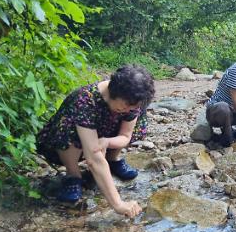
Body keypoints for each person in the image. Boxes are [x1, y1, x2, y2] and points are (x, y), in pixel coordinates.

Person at [36, 64, 155, 218]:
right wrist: (118, 204)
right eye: (126, 105)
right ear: (114, 92)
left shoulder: (133, 102)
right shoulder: (86, 101)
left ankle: (112, 160)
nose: (129, 109)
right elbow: (93, 158)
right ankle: (73, 175)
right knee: (70, 130)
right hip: (63, 141)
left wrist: (107, 142)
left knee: (129, 122)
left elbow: (126, 136)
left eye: (133, 107)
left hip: (101, 134)